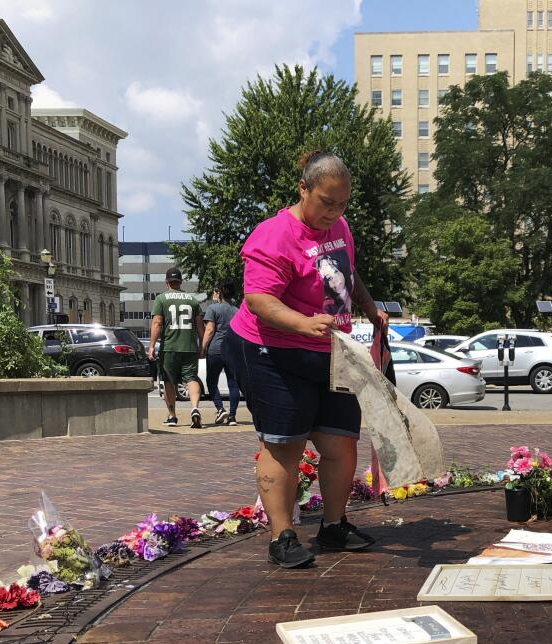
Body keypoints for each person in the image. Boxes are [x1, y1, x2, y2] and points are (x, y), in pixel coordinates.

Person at [223, 150, 390, 568]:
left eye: (342, 204)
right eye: (326, 202)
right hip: (271, 351)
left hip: (330, 350)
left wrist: (369, 307)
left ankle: (334, 526)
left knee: (340, 441)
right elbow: (259, 300)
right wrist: (301, 323)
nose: (333, 212)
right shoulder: (273, 236)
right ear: (303, 189)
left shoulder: (340, 227)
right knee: (284, 444)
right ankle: (282, 536)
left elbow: (348, 272)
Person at [148, 268, 205, 428]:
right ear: (180, 282)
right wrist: (202, 345)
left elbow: (157, 323)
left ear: (167, 283)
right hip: (189, 347)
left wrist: (151, 346)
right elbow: (201, 326)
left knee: (168, 381)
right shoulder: (192, 300)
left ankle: (172, 416)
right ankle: (194, 408)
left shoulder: (161, 299)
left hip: (169, 348)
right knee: (191, 379)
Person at [201, 279, 241, 425]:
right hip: (232, 350)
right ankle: (232, 416)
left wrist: (203, 347)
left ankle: (220, 409)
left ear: (220, 292)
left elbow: (210, 330)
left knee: (211, 381)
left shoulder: (213, 309)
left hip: (216, 349)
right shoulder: (237, 311)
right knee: (233, 383)